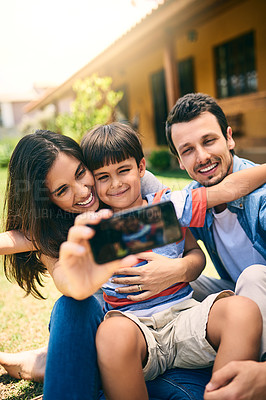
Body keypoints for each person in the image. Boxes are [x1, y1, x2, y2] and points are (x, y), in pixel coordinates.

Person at [0, 129, 212, 399]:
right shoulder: (54, 231)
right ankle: (41, 364)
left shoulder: (134, 184)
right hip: (112, 333)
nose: (83, 191)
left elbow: (190, 246)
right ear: (47, 199)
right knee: (73, 305)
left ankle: (41, 363)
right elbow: (63, 279)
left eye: (80, 173)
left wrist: (177, 270)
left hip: (162, 325)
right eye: (62, 190)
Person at [78, 122, 264, 400]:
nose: (115, 183)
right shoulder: (92, 224)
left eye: (124, 171)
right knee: (110, 334)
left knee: (242, 311)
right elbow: (36, 238)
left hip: (184, 317)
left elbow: (227, 191)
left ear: (141, 168)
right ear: (92, 182)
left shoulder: (168, 206)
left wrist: (178, 269)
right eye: (103, 177)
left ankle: (223, 393)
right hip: (136, 329)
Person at [164, 92, 266, 400]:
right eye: (188, 150)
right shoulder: (194, 199)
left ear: (229, 138)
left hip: (257, 288)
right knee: (174, 277)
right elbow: (138, 221)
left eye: (209, 141)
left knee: (253, 276)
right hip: (237, 295)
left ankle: (235, 384)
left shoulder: (260, 199)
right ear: (180, 162)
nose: (202, 157)